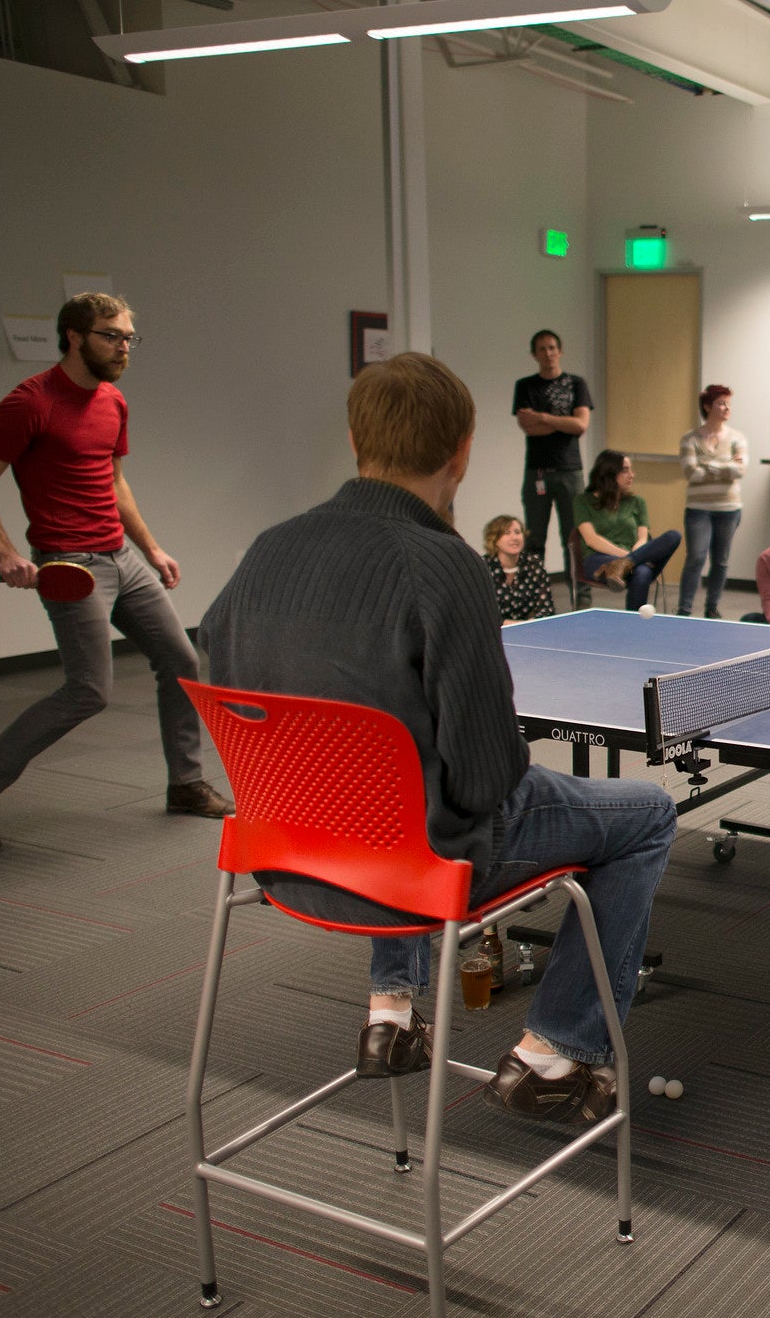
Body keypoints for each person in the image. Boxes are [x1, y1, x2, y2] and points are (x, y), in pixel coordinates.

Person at [200, 352, 674, 1124]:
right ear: (463, 451)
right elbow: (490, 778)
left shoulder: (267, 547)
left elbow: (223, 666)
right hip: (422, 865)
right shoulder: (443, 563)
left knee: (394, 779)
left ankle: (391, 1009)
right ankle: (557, 1048)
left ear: (356, 440)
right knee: (648, 813)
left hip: (285, 852)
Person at [0, 292, 230, 853]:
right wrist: (4, 553)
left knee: (183, 661)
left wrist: (152, 547)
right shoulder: (29, 403)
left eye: (128, 338)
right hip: (72, 561)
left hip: (121, 555)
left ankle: (186, 785)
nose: (123, 348)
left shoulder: (113, 401)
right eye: (111, 337)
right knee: (89, 689)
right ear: (74, 336)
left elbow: (113, 481)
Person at [513, 329, 593, 602]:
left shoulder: (576, 384)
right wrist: (563, 423)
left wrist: (543, 418)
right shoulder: (525, 386)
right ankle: (534, 599)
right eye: (542, 349)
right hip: (537, 471)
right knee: (534, 539)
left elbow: (581, 424)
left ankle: (581, 600)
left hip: (570, 472)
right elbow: (528, 427)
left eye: (552, 348)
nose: (548, 354)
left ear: (560, 351)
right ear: (534, 354)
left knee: (573, 538)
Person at [573, 450, 681, 611]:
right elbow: (591, 539)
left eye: (631, 469)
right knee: (642, 571)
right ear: (608, 473)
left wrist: (631, 559)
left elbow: (643, 539)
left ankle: (631, 625)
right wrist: (629, 558)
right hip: (598, 560)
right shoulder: (582, 501)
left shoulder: (637, 502)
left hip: (633, 558)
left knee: (674, 536)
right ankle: (633, 626)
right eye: (625, 470)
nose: (632, 475)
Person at [678, 384, 747, 618]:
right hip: (698, 508)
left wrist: (707, 464)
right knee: (696, 557)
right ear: (708, 406)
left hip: (729, 508)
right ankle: (685, 608)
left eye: (728, 403)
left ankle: (712, 607)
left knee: (721, 560)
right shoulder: (690, 438)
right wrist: (726, 465)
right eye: (721, 403)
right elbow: (690, 473)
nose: (726, 407)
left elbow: (740, 471)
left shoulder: (737, 438)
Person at [483, 515, 555, 623]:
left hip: (529, 629)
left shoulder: (534, 564)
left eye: (517, 532)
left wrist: (526, 624)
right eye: (507, 533)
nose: (514, 538)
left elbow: (547, 609)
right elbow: (479, 612)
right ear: (494, 540)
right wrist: (504, 623)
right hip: (492, 631)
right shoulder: (483, 567)